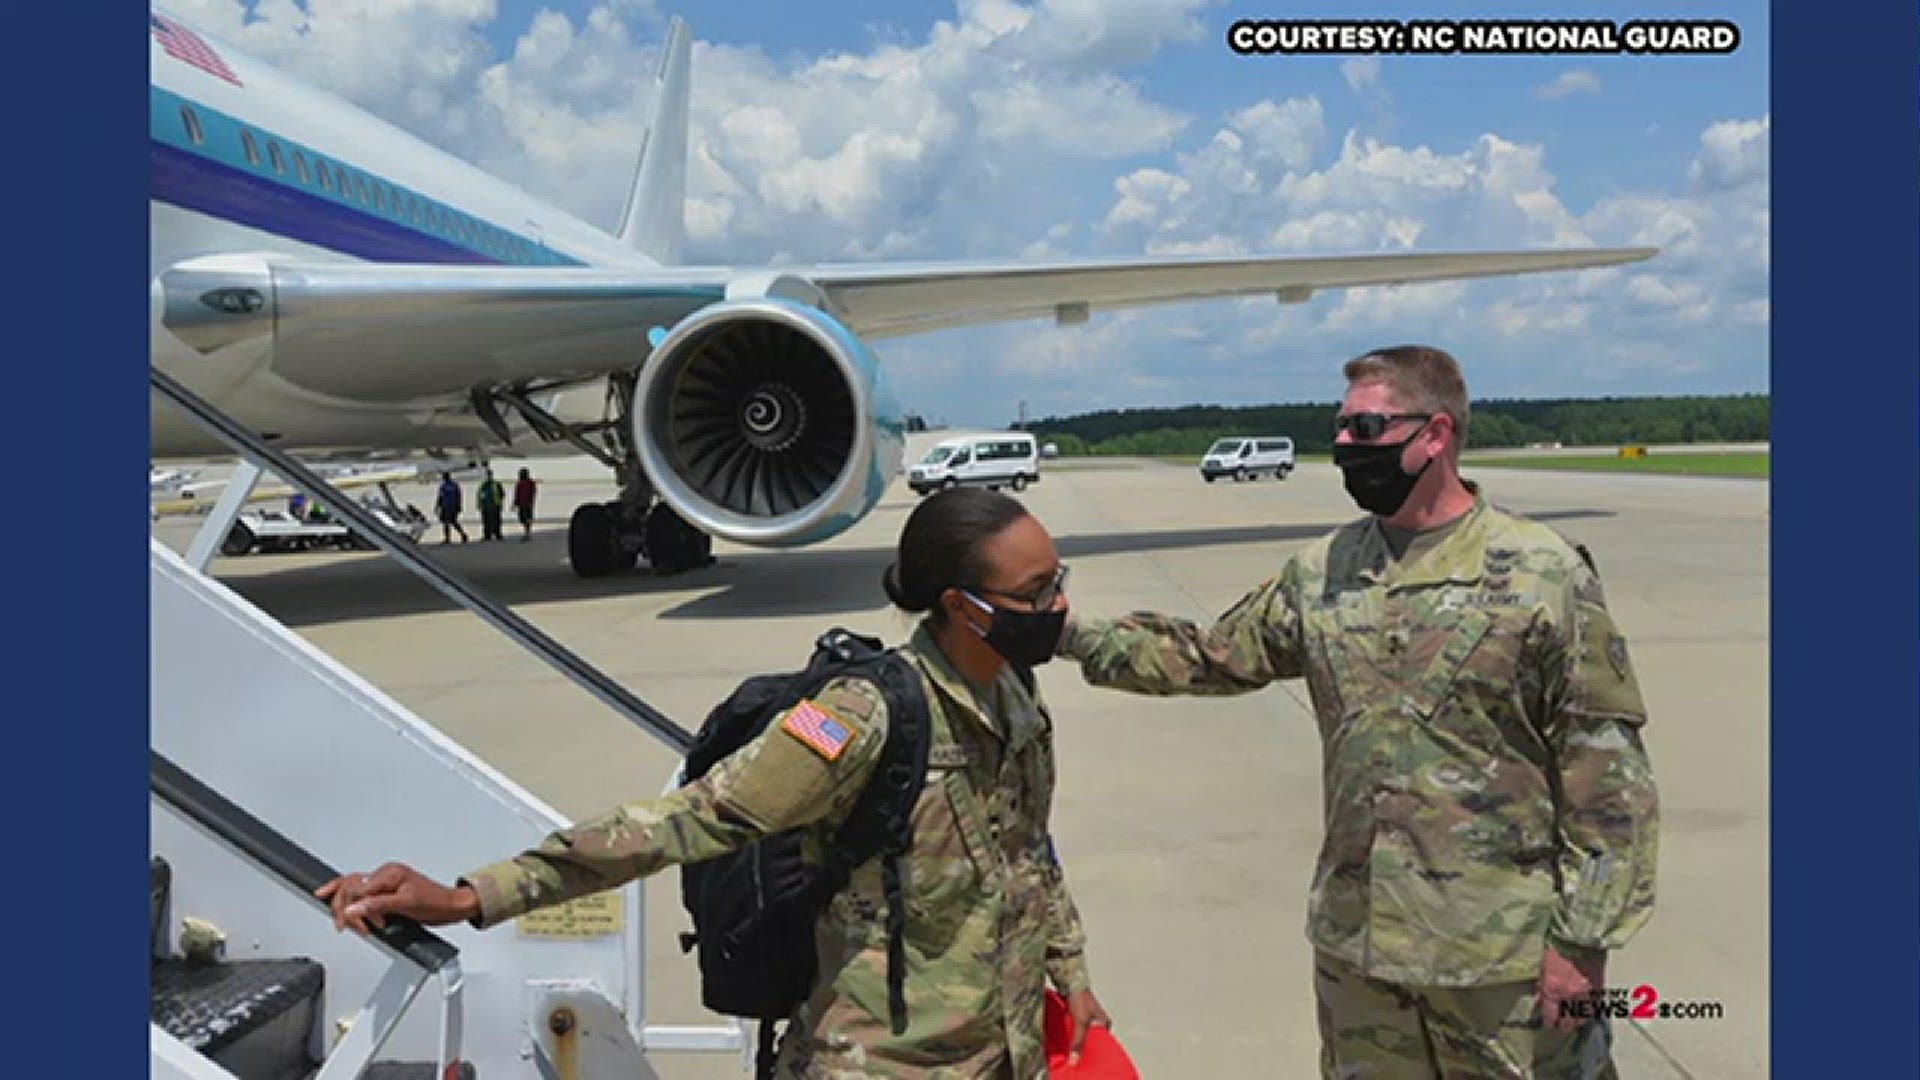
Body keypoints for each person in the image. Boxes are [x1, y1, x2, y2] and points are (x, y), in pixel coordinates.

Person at [317, 488, 1114, 1077]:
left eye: (1057, 580)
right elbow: (685, 822)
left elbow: (1028, 858)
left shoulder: (1011, 692)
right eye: (1036, 592)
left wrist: (1069, 978)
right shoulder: (864, 713)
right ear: (960, 604)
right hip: (882, 1063)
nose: (1059, 606)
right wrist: (470, 896)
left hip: (1001, 1055)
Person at [1059, 345, 1658, 1079]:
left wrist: (1583, 943)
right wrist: (1064, 634)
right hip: (1361, 952)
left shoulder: (1542, 572)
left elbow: (1606, 775)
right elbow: (1212, 655)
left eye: (1365, 427)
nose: (1344, 445)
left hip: (1500, 960)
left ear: (1435, 434)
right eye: (1340, 427)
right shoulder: (1324, 572)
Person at [434, 472, 468, 544]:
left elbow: (440, 497)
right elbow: (459, 496)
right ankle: (462, 534)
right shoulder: (455, 485)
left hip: (446, 506)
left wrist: (437, 506)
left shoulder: (443, 486)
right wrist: (459, 506)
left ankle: (447, 538)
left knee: (446, 523)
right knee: (453, 521)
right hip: (453, 506)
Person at [476, 468, 506, 541]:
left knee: (496, 521)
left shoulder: (496, 484)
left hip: (494, 505)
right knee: (486, 521)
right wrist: (480, 505)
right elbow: (479, 496)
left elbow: (502, 494)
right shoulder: (483, 485)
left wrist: (499, 503)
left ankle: (497, 534)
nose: (488, 477)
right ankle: (487, 535)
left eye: (489, 475)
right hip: (486, 506)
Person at [512, 467, 537, 541]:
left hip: (527, 503)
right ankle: (526, 532)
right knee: (523, 519)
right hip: (522, 504)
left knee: (527, 519)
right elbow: (517, 494)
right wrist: (515, 503)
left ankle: (527, 533)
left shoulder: (530, 483)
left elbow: (532, 493)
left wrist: (531, 501)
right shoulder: (520, 483)